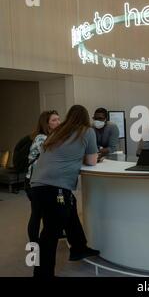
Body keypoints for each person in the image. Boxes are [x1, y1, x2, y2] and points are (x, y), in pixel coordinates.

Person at [30, 105, 100, 277]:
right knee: (50, 234)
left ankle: (78, 247)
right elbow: (92, 161)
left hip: (37, 184)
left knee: (70, 208)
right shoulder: (87, 131)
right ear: (85, 118)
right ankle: (43, 274)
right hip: (56, 187)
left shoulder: (58, 131)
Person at [26, 110, 61, 243]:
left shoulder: (51, 137)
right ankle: (34, 244)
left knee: (44, 213)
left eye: (58, 119)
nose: (58, 122)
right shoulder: (42, 138)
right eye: (54, 120)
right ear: (46, 124)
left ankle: (46, 240)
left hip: (44, 180)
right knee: (37, 214)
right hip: (35, 181)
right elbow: (53, 156)